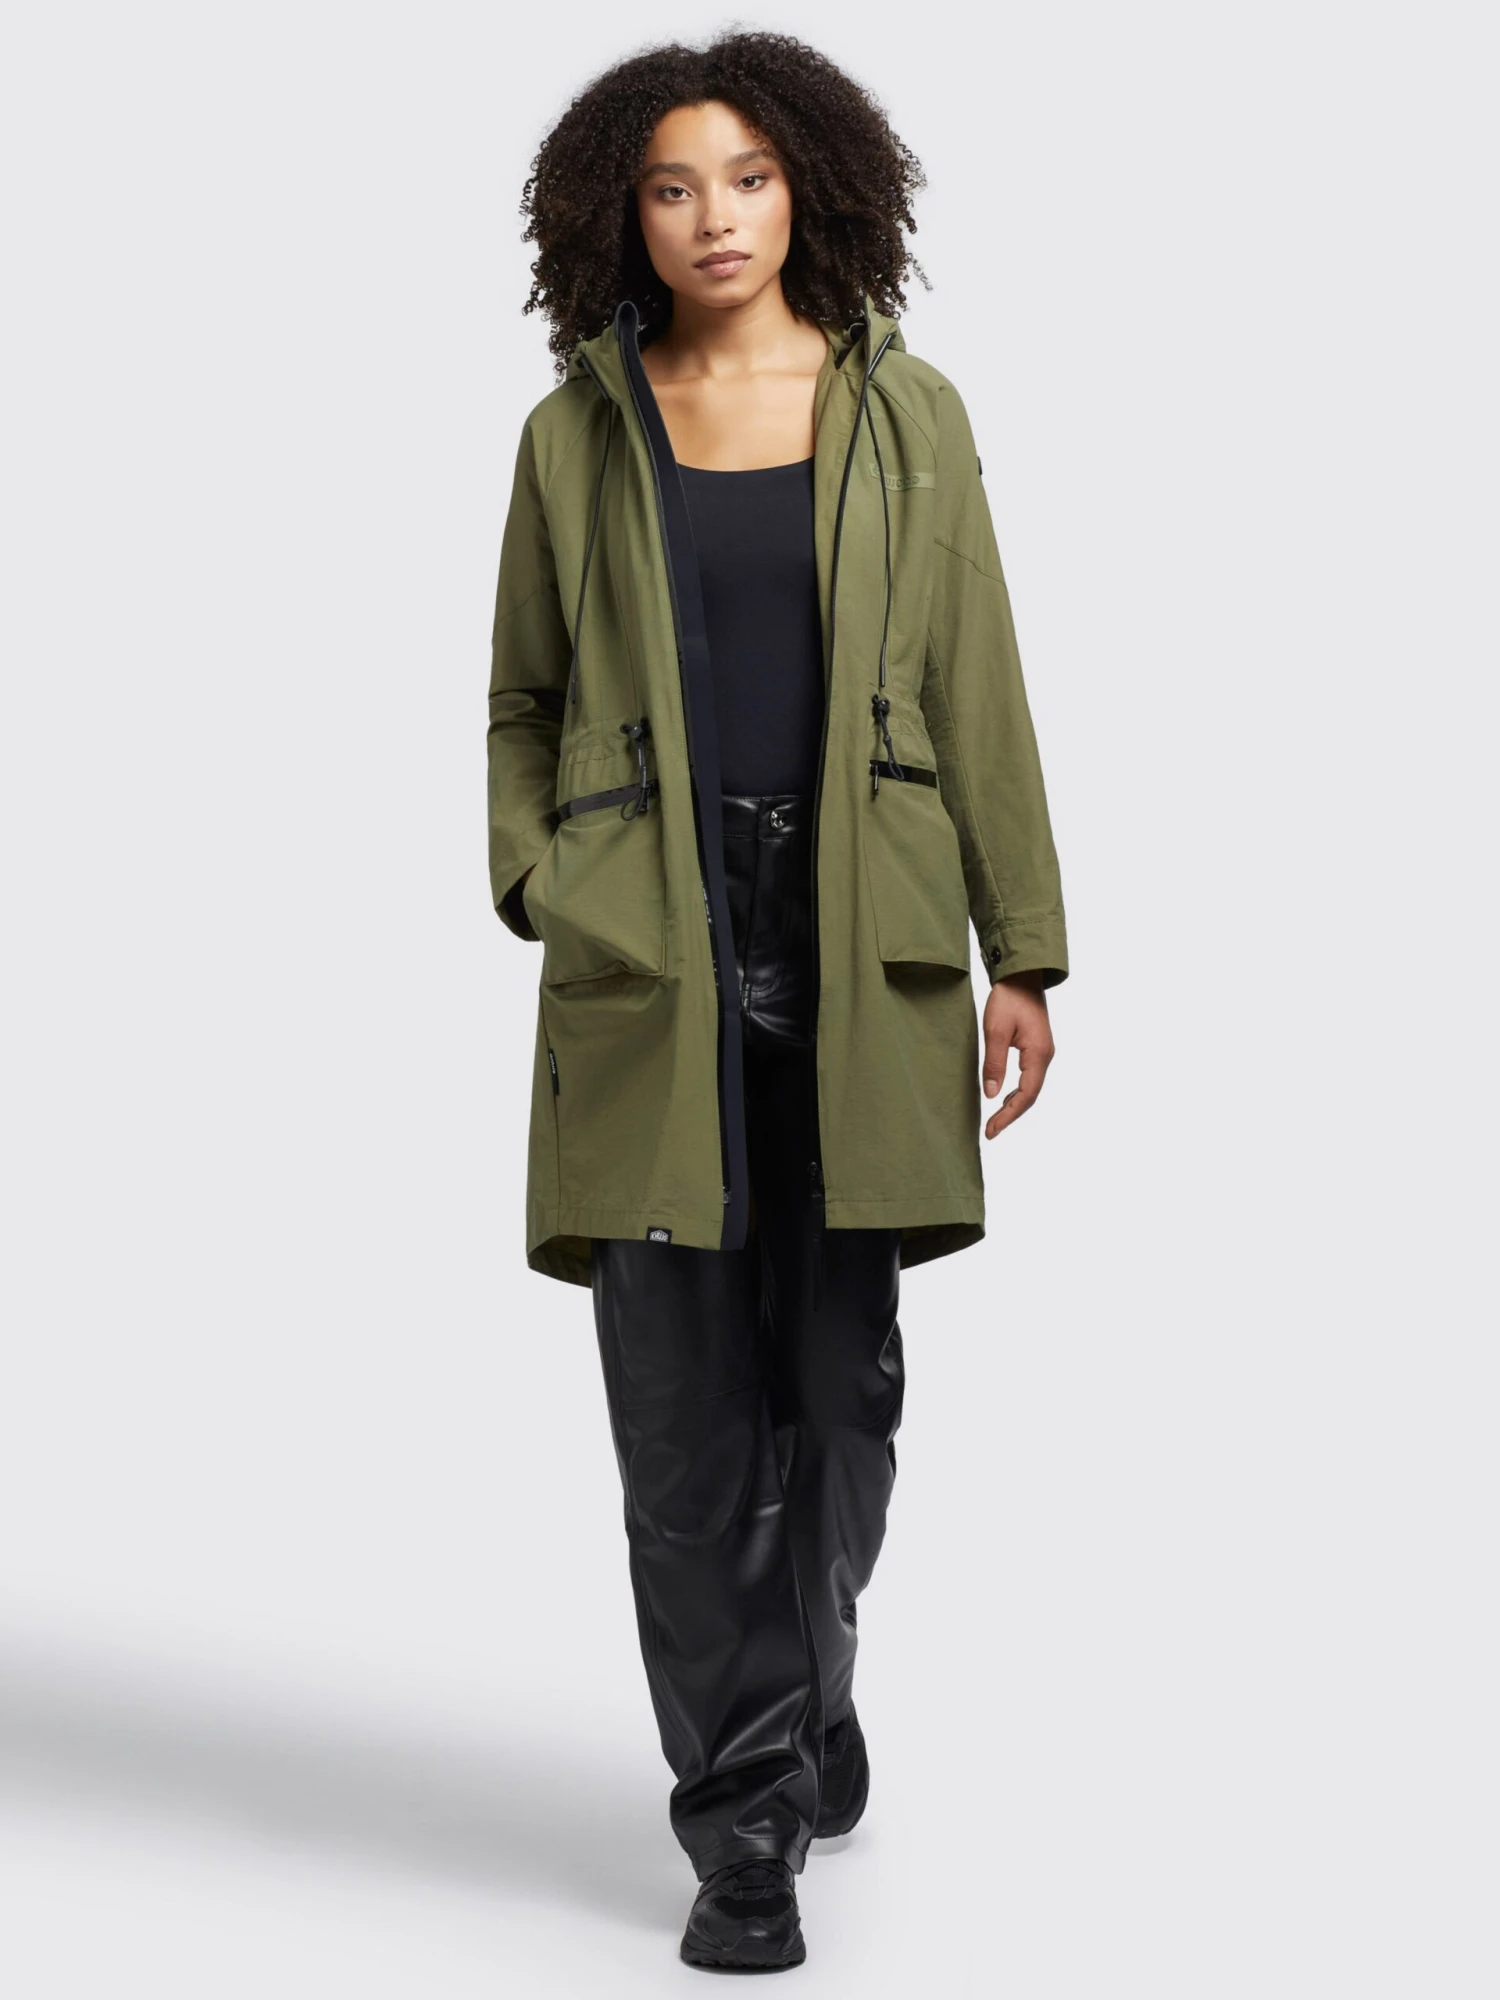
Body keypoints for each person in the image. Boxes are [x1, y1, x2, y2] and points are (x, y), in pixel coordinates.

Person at [486, 32, 1067, 1972]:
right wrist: (542, 877)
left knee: (840, 1388)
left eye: (745, 176)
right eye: (671, 185)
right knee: (681, 1416)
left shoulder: (909, 413)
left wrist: (1021, 946)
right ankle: (744, 1821)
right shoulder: (576, 433)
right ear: (622, 213)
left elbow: (978, 681)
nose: (712, 217)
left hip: (861, 931)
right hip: (644, 944)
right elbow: (521, 698)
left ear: (808, 184)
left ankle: (809, 1678)